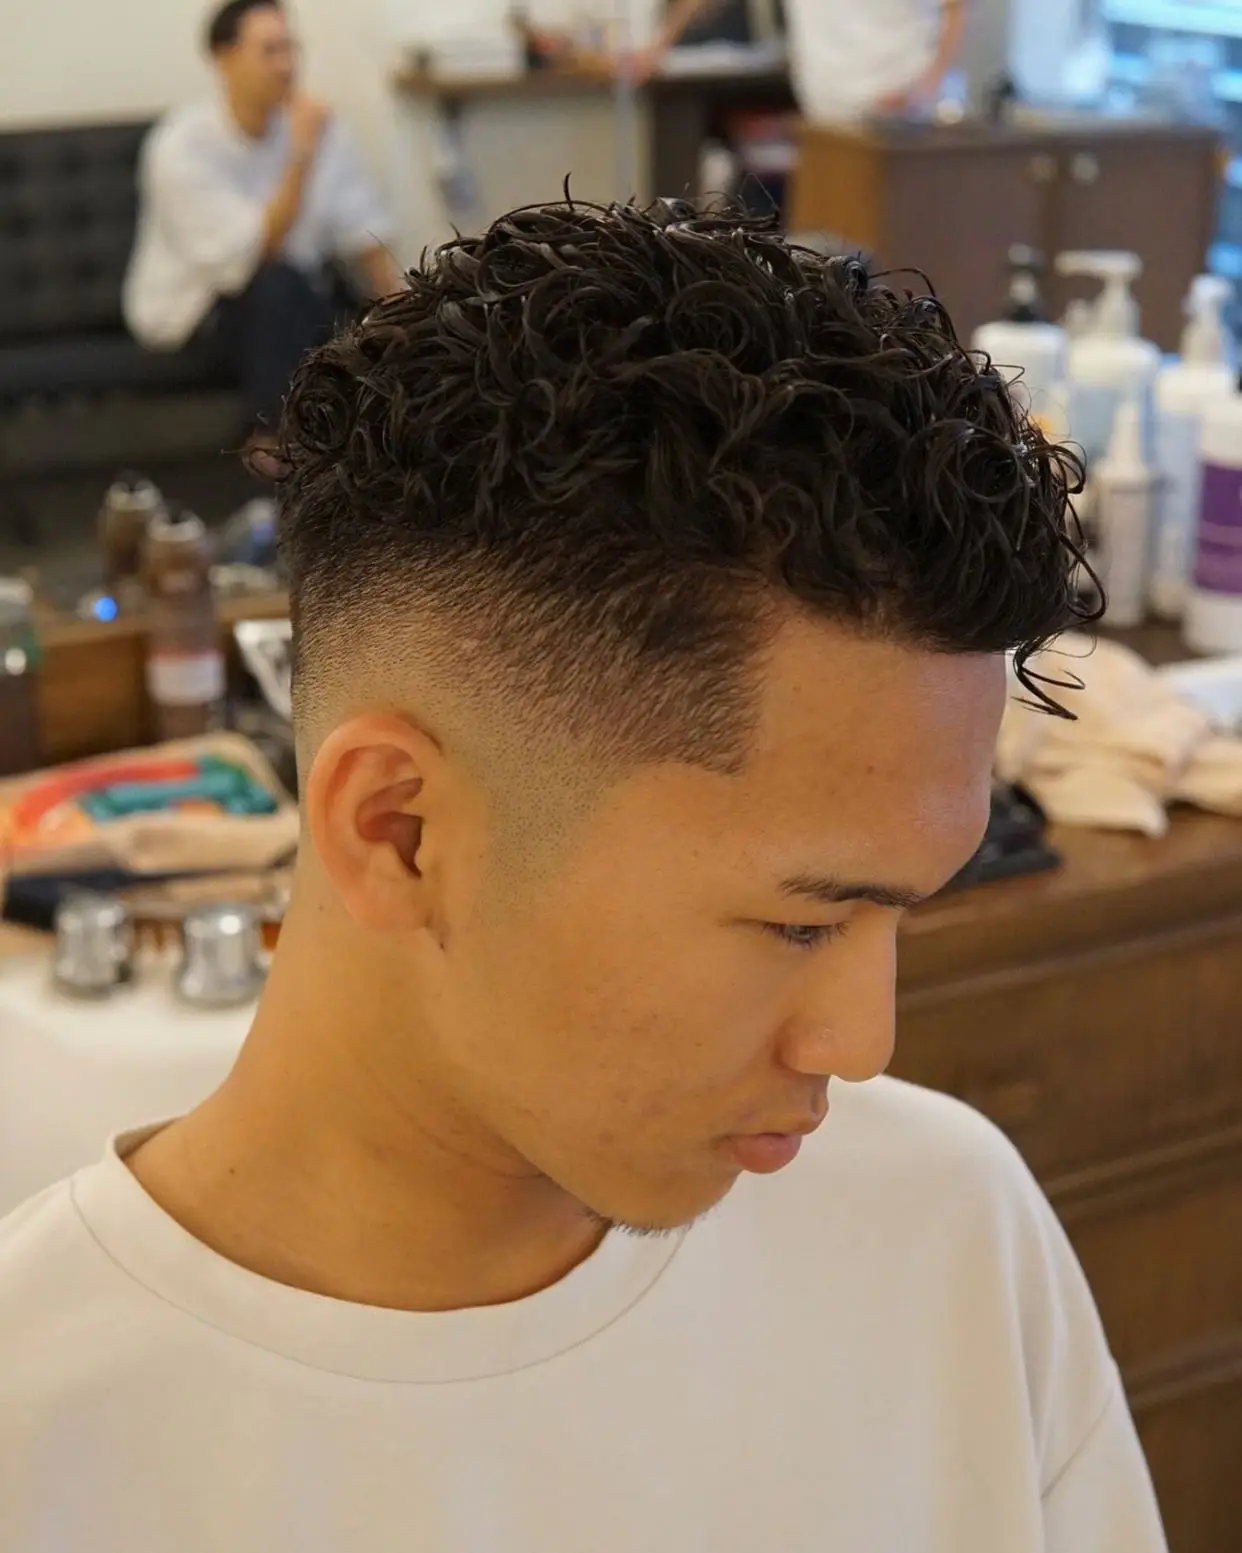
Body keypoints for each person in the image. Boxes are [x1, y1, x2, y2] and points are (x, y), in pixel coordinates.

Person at [0, 201, 1165, 1553]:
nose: (862, 1043)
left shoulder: (948, 1231)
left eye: (900, 912)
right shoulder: (45, 1433)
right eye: (799, 923)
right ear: (398, 830)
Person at [124, 0, 404, 434]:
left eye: (291, 49)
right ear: (224, 58)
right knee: (278, 287)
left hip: (297, 295)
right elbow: (258, 251)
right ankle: (271, 442)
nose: (286, 65)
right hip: (199, 314)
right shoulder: (181, 147)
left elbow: (363, 230)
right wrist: (301, 156)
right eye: (270, 51)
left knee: (348, 310)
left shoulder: (318, 127)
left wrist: (406, 319)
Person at [629, 0, 965, 119]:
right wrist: (658, 46)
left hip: (904, 115)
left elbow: (957, 7)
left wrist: (926, 86)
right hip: (827, 118)